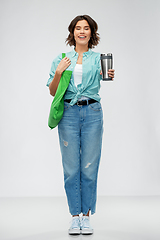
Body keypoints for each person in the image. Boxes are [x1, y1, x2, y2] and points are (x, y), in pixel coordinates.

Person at [46, 15, 115, 235]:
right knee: (71, 168)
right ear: (72, 32)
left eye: (86, 28)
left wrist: (108, 74)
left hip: (93, 112)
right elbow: (53, 91)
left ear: (92, 33)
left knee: (89, 166)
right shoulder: (62, 58)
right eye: (78, 28)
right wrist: (59, 72)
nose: (82, 31)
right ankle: (74, 217)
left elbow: (104, 80)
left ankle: (86, 216)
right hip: (68, 114)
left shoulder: (97, 58)